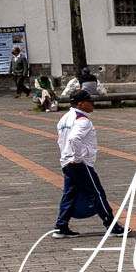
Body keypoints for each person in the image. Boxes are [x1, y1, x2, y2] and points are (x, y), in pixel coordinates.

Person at [53, 91, 127, 239]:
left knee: (70, 194)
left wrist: (68, 157)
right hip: (80, 163)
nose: (92, 104)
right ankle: (111, 225)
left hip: (67, 162)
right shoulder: (83, 120)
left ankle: (61, 226)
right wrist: (78, 157)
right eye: (89, 101)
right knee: (97, 193)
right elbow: (74, 139)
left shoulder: (65, 118)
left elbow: (61, 141)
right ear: (80, 104)